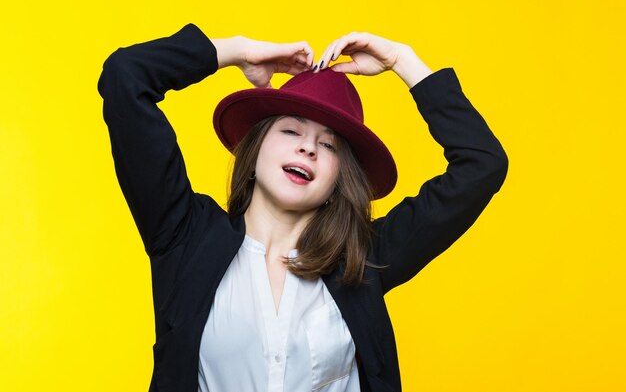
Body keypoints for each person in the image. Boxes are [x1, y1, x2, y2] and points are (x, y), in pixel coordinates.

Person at [97, 23, 508, 392]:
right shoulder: (185, 236)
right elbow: (125, 77)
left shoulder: (363, 261)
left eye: (327, 144)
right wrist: (237, 51)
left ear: (338, 178)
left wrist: (403, 60)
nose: (308, 147)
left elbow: (482, 164)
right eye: (291, 129)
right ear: (252, 150)